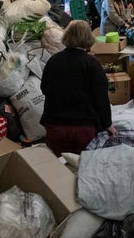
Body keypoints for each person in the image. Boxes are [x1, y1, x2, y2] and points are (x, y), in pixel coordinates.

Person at [40, 20, 115, 156]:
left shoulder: (53, 60)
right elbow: (101, 99)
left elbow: (44, 88)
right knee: (83, 165)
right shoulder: (92, 64)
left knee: (60, 166)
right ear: (88, 38)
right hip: (83, 127)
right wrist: (108, 124)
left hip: (55, 125)